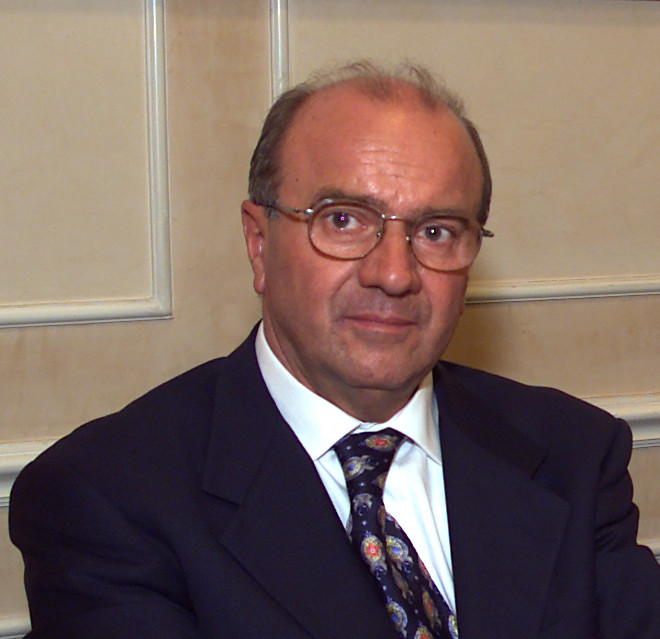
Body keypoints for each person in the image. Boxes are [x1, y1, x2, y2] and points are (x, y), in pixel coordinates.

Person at [9, 60, 660, 639]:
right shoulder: (108, 496)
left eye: (437, 231)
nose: (394, 274)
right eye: (343, 220)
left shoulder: (571, 453)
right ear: (259, 243)